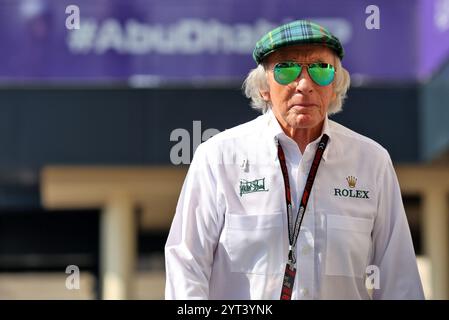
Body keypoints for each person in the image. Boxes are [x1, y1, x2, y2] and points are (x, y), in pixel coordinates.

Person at [164, 20, 424, 299]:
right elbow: (186, 269)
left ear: (334, 85)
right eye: (287, 69)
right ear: (264, 88)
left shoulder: (372, 162)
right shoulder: (217, 158)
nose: (304, 84)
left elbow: (400, 281)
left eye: (321, 70)